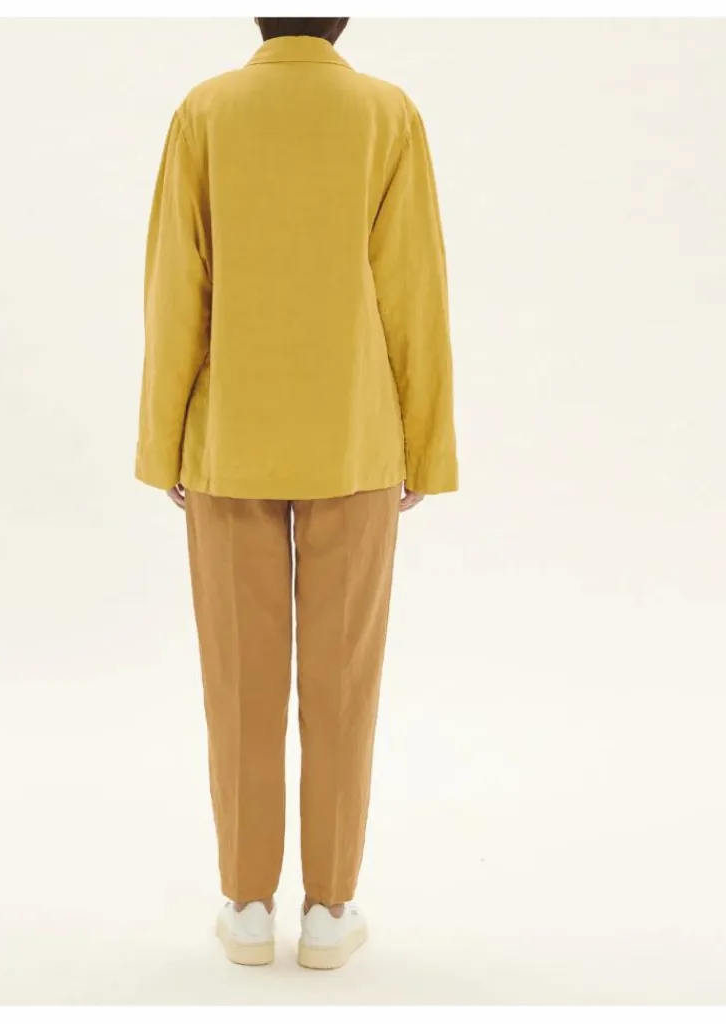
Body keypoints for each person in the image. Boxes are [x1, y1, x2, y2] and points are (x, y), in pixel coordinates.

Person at [135, 16, 457, 970]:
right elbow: (413, 288)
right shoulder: (387, 114)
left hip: (229, 437)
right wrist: (425, 446)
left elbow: (176, 286)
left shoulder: (205, 112)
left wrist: (164, 441)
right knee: (342, 683)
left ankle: (245, 904)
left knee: (238, 681)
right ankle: (329, 909)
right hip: (355, 438)